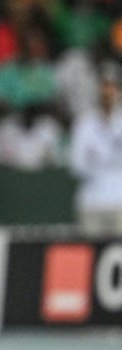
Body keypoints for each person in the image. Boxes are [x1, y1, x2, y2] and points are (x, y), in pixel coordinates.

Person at [69, 66, 122, 235]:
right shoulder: (84, 124)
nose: (107, 93)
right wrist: (109, 162)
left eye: (112, 86)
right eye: (104, 86)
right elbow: (76, 165)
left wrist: (97, 159)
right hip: (91, 201)